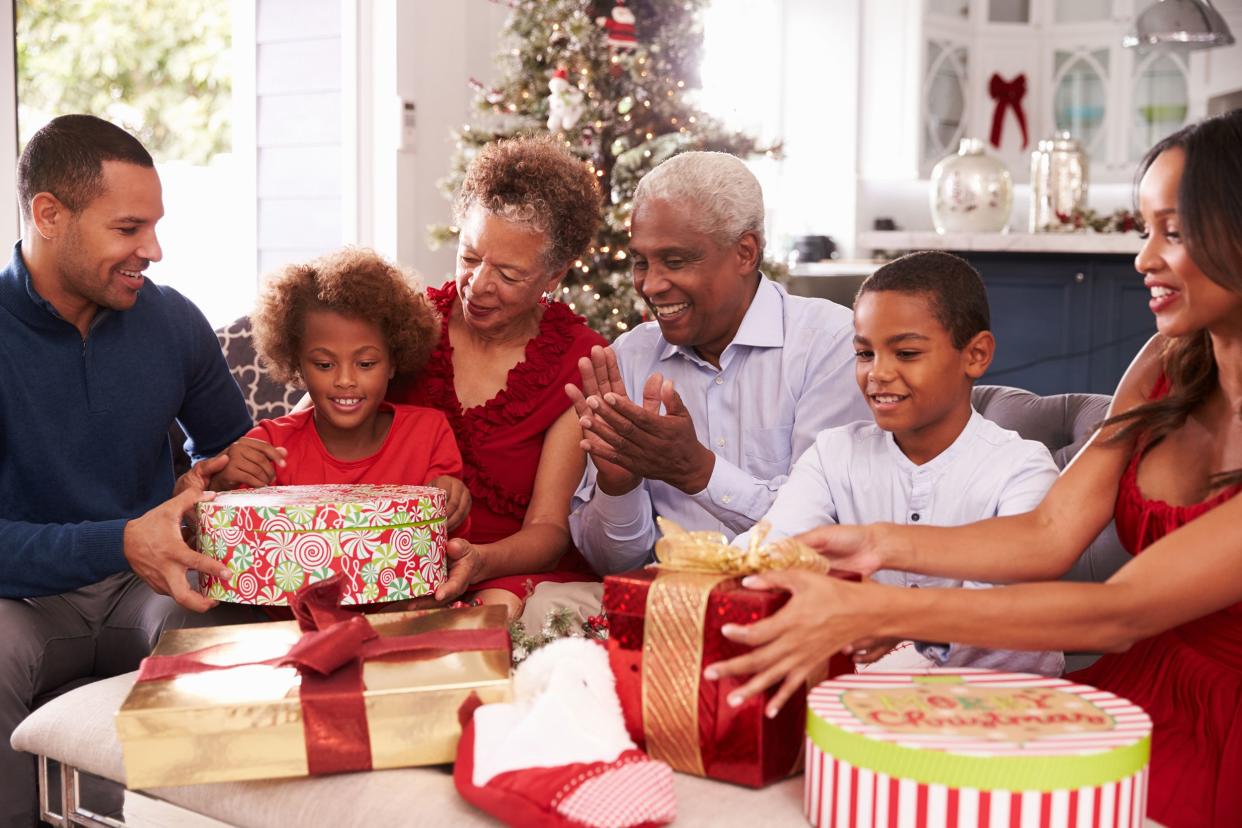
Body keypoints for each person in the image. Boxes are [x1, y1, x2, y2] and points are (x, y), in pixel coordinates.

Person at [707, 109, 1242, 828]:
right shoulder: (1163, 364)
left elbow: (1121, 612)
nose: (1143, 259)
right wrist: (882, 543)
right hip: (1142, 695)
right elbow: (1050, 531)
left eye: (1172, 233)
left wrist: (879, 608)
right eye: (1144, 230)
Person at [0, 115, 255, 826]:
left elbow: (235, 456)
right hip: (21, 603)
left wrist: (225, 477)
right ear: (49, 215)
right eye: (128, 229)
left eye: (155, 226)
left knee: (229, 626)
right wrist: (122, 538)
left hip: (149, 587)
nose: (154, 249)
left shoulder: (172, 321)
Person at [733, 251, 1061, 675]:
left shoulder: (1021, 469)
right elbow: (773, 546)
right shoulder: (834, 454)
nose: (878, 373)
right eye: (865, 353)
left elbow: (994, 610)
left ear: (976, 354)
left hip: (1003, 707)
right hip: (865, 704)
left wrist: (892, 616)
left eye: (905, 353)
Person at [567, 151, 870, 580]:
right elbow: (611, 566)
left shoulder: (830, 345)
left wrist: (697, 471)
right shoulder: (630, 357)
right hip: (661, 610)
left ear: (745, 253)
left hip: (794, 609)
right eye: (640, 262)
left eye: (674, 261)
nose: (650, 285)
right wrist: (619, 486)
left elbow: (826, 536)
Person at [394, 135, 608, 618]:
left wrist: (479, 561)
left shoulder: (579, 361)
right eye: (469, 258)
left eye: (509, 275)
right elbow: (307, 426)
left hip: (510, 570)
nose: (480, 285)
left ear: (554, 276)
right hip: (395, 564)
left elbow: (549, 530)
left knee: (492, 621)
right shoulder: (407, 323)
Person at [212, 246, 470, 522]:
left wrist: (453, 502)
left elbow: (443, 544)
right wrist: (219, 485)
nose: (345, 380)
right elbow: (226, 536)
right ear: (297, 363)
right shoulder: (269, 446)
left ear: (394, 361)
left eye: (366, 364)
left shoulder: (428, 435)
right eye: (325, 365)